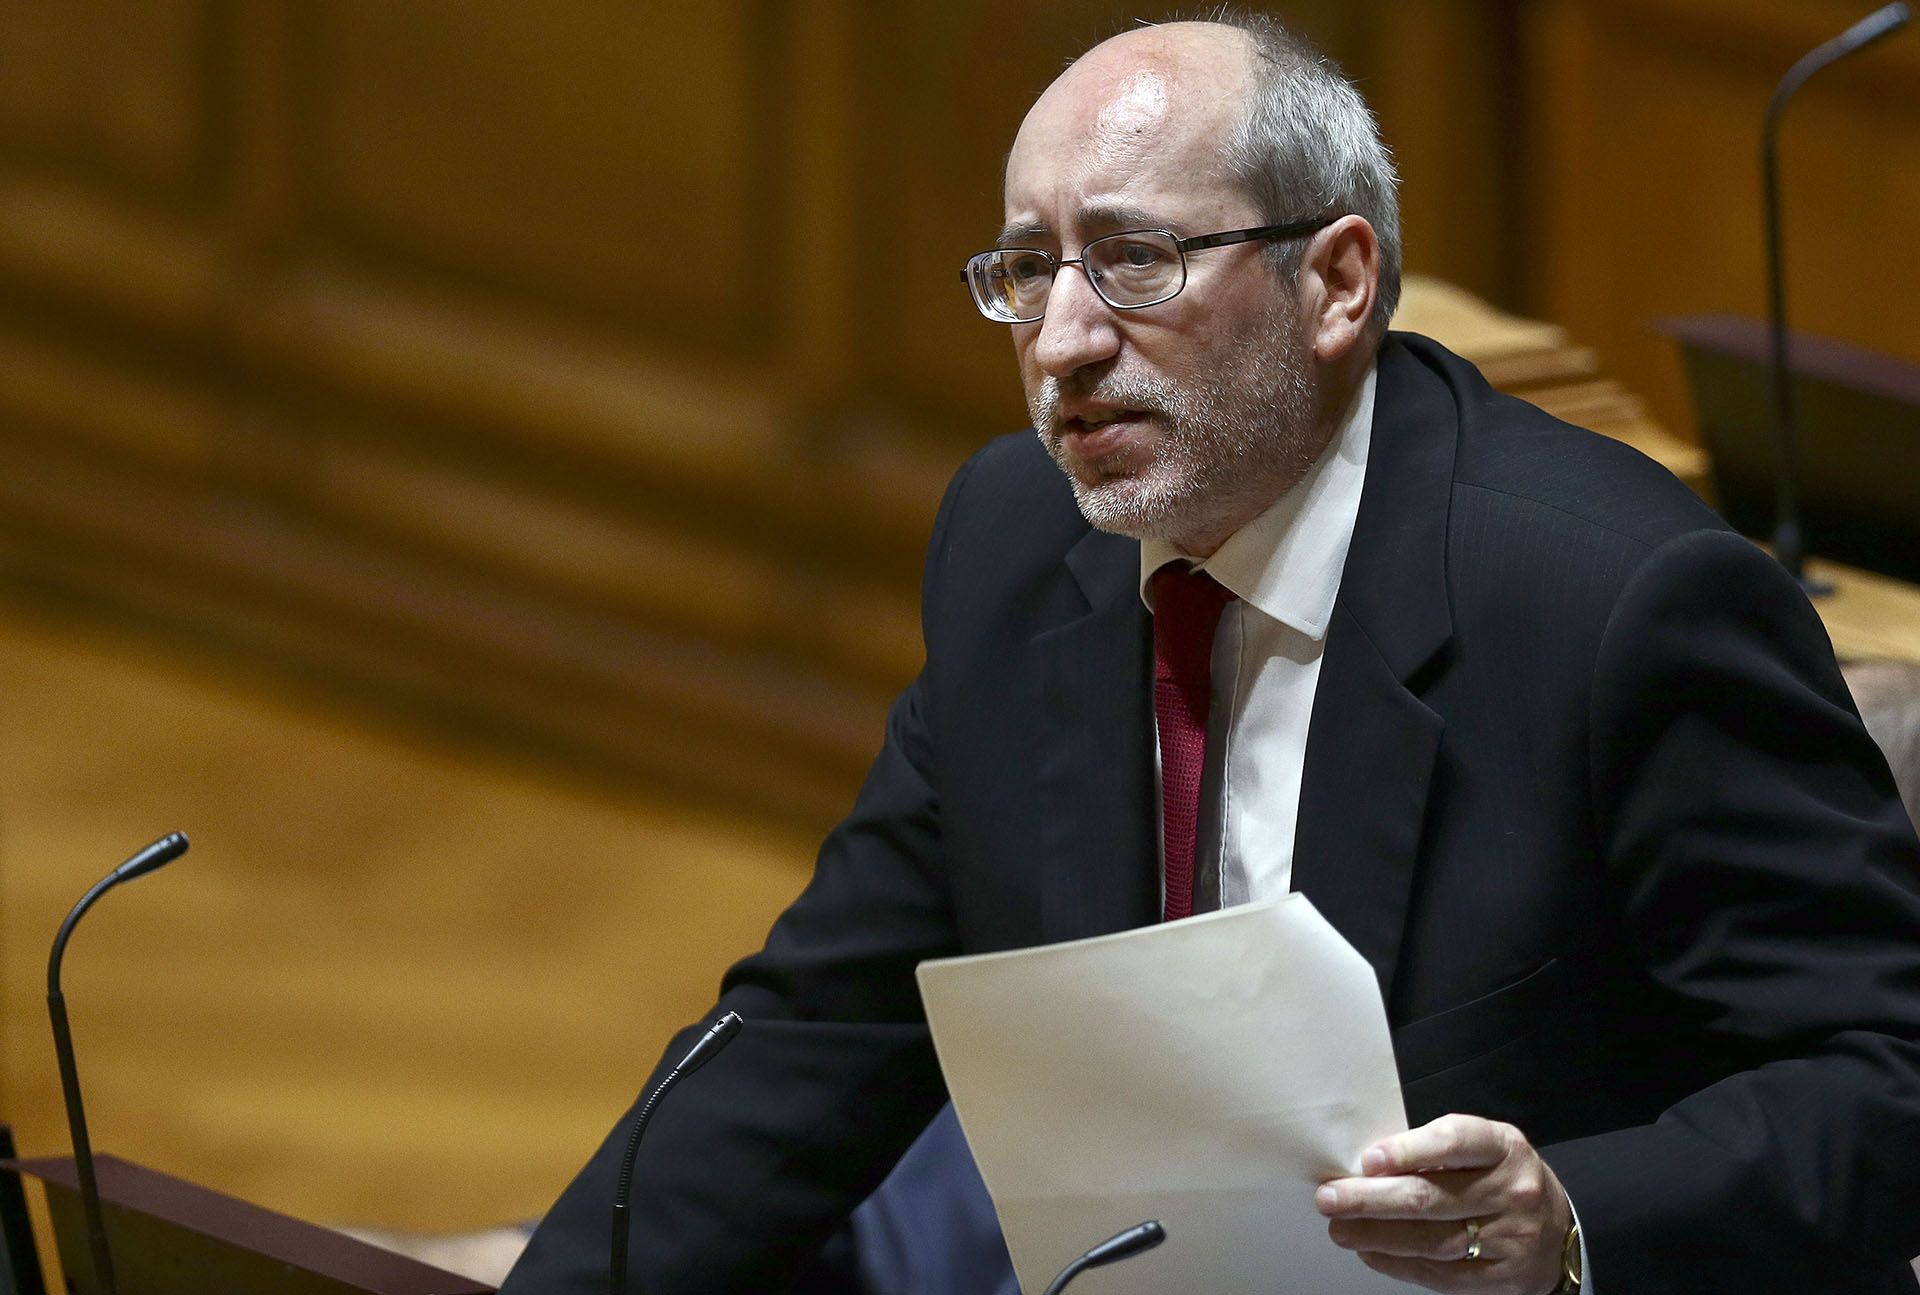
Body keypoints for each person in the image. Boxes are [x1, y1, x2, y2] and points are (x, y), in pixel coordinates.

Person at [501, 10, 1920, 1293]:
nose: (1063, 340)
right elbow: (819, 1032)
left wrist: (1571, 1224)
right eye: (1028, 270)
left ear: (1337, 283)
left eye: (1135, 260)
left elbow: (1883, 1079)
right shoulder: (1014, 543)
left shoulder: (1615, 605)